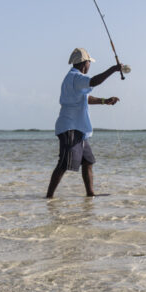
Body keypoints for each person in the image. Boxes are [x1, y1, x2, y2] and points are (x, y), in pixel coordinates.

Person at [47, 47, 126, 198]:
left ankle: (90, 194)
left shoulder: (75, 80)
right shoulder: (75, 77)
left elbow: (85, 98)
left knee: (88, 162)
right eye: (90, 62)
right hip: (70, 127)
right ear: (85, 63)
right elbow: (94, 81)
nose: (90, 66)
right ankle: (49, 197)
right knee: (63, 163)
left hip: (79, 128)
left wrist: (104, 101)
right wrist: (113, 69)